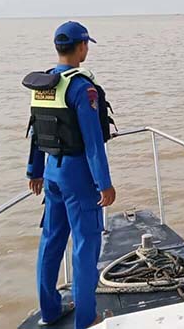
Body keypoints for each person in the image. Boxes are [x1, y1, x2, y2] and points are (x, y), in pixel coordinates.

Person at [23, 21, 116, 329]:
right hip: (78, 175)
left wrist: (34, 170)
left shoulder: (44, 83)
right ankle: (87, 319)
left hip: (51, 172)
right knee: (85, 245)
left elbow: (37, 131)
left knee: (51, 241)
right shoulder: (81, 88)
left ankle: (49, 311)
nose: (87, 49)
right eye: (86, 44)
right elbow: (92, 142)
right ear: (80, 47)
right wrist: (105, 183)